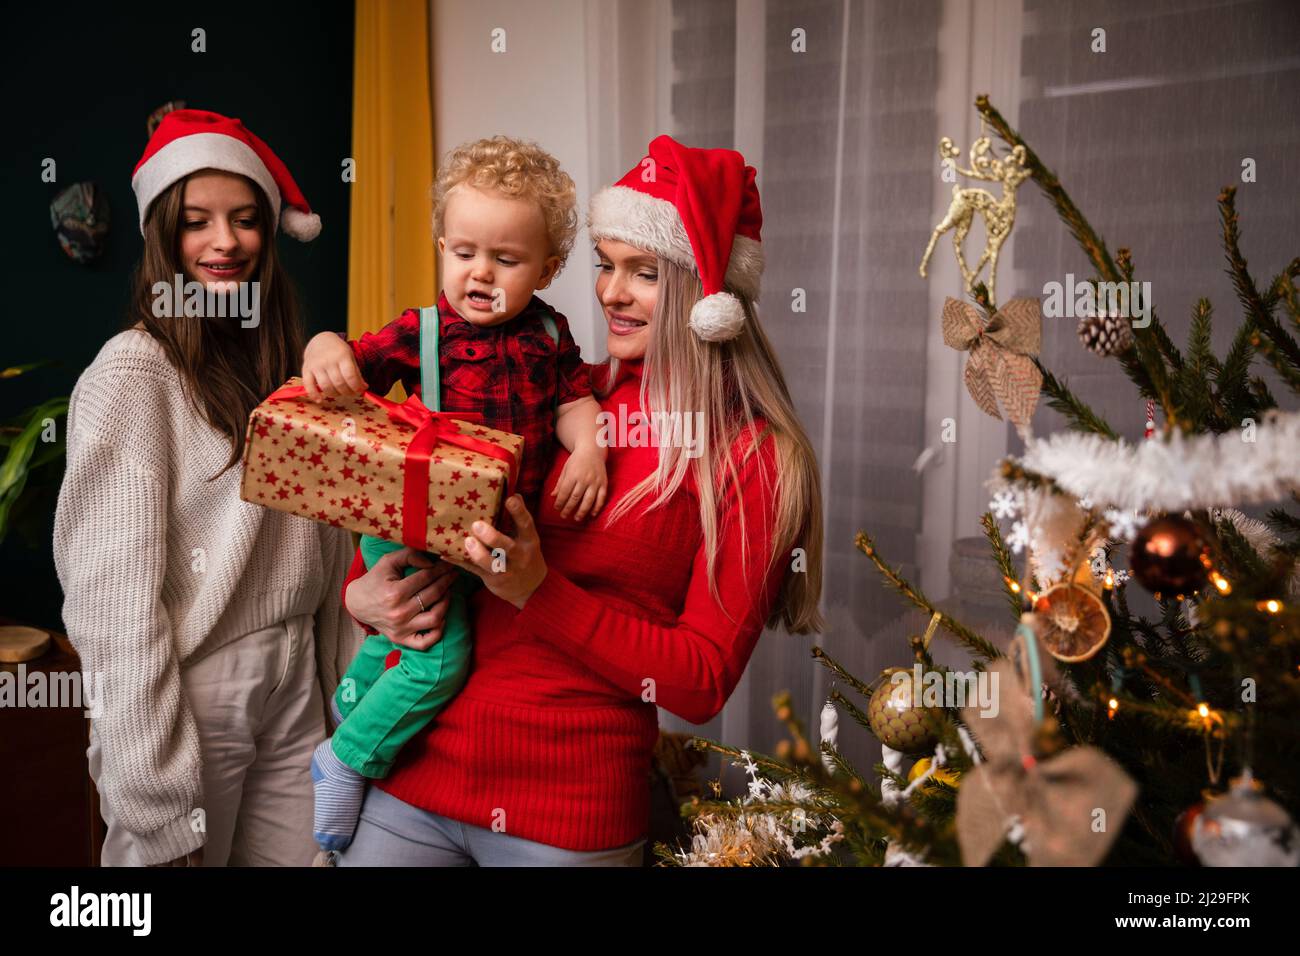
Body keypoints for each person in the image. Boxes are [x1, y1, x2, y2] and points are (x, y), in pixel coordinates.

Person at [335, 135, 825, 866]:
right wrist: (364, 598)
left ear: (707, 296)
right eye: (605, 264)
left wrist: (539, 591)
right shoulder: (559, 389)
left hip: (567, 817)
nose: (610, 292)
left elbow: (697, 682)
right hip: (414, 778)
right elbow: (420, 518)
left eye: (644, 273)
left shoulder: (752, 458)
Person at [51, 109, 373, 866]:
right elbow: (112, 606)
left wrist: (339, 682)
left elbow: (331, 548)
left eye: (246, 219)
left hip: (296, 674)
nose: (224, 242)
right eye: (196, 222)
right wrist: (153, 793)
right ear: (164, 236)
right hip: (195, 688)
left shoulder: (292, 365)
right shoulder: (133, 375)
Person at [297, 137, 607, 859]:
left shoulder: (551, 334)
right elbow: (352, 364)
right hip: (409, 523)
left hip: (487, 535)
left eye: (507, 259)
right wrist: (322, 346)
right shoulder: (422, 331)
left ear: (549, 269)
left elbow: (573, 400)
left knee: (406, 641)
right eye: (464, 252)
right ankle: (344, 759)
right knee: (437, 657)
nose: (481, 273)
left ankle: (351, 710)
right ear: (441, 247)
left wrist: (588, 446)